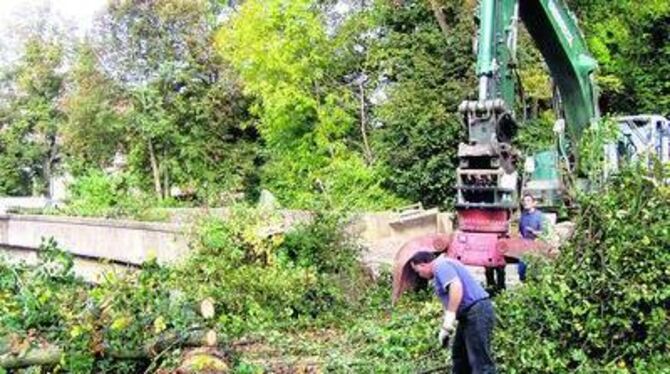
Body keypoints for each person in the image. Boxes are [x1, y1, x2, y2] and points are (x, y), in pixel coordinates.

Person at [410, 251, 496, 374]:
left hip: (476, 312)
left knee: (480, 362)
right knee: (460, 357)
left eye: (418, 271)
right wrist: (447, 328)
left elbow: (456, 287)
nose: (420, 275)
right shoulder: (444, 265)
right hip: (468, 315)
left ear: (424, 264)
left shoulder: (441, 265)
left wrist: (449, 318)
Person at [517, 193, 543, 281]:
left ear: (533, 203)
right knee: (521, 272)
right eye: (524, 201)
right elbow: (520, 231)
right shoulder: (523, 216)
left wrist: (533, 232)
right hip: (524, 246)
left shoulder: (539, 216)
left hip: (535, 246)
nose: (525, 203)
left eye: (528, 201)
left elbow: (544, 233)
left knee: (535, 273)